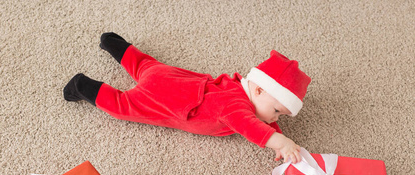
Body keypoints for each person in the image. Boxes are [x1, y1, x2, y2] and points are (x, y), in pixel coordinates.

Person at [64, 33, 311, 163]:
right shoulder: (235, 107)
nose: (275, 118)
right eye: (277, 111)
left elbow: (262, 122)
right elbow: (252, 128)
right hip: (165, 98)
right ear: (258, 90)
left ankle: (113, 42)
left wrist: (280, 137)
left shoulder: (238, 87)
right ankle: (82, 86)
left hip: (171, 78)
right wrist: (280, 143)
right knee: (122, 105)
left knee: (145, 64)